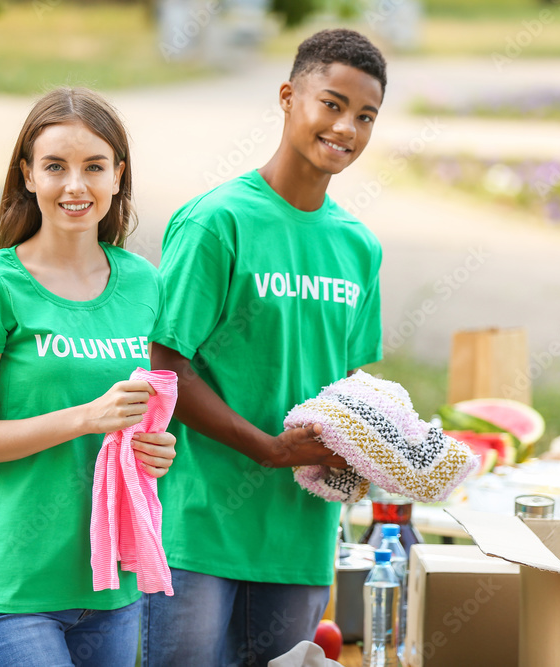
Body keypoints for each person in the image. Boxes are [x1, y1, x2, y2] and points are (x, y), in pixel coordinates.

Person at [143, 28, 387, 666]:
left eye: (365, 116)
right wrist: (269, 449)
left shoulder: (359, 246)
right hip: (200, 528)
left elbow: (351, 380)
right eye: (331, 104)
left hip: (301, 537)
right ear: (287, 97)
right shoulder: (216, 222)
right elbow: (166, 363)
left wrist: (369, 449)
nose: (347, 129)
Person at [0, 87, 177, 667]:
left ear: (118, 176)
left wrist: (162, 449)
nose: (76, 186)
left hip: (112, 585)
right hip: (17, 586)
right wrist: (85, 418)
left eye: (94, 166)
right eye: (55, 166)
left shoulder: (146, 283)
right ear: (27, 175)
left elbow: (150, 414)